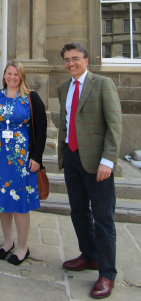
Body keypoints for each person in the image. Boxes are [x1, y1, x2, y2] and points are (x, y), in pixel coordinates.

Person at [58, 43, 122, 299]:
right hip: (72, 158)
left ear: (86, 60)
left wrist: (109, 160)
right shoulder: (64, 88)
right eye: (66, 60)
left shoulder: (103, 84)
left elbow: (114, 125)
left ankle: (107, 273)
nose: (71, 63)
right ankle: (90, 255)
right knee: (78, 211)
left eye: (75, 58)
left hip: (97, 163)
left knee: (103, 218)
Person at [0, 60, 47, 265]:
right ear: (4, 75)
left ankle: (22, 246)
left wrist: (37, 157)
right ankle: (8, 241)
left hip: (21, 158)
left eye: (16, 74)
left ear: (21, 77)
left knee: (20, 203)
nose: (11, 77)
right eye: (8, 74)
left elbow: (41, 129)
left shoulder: (31, 98)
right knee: (3, 201)